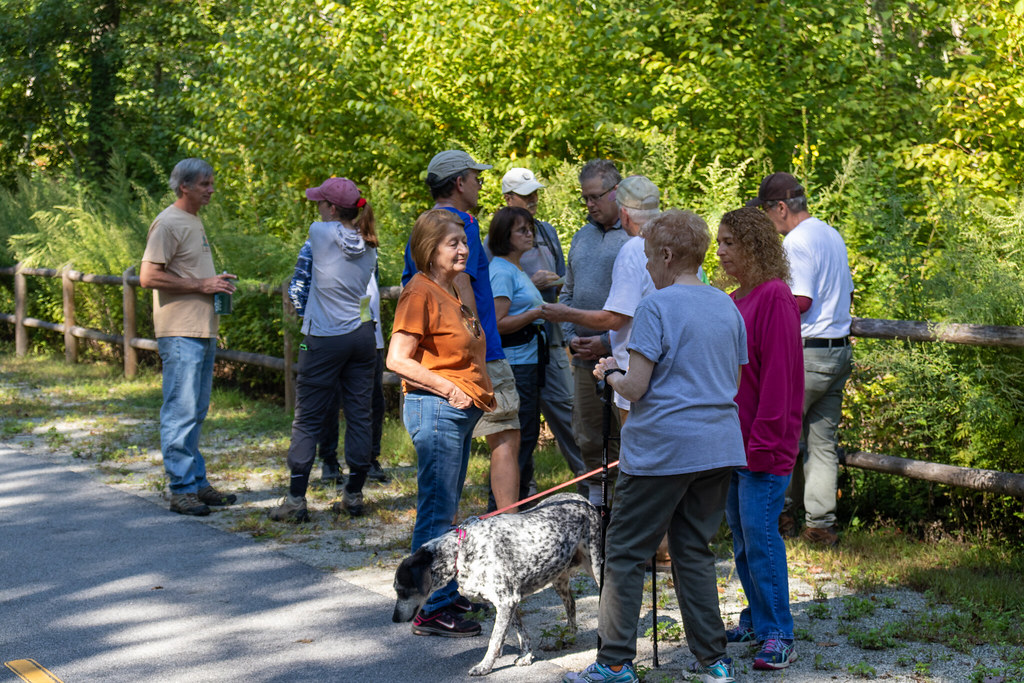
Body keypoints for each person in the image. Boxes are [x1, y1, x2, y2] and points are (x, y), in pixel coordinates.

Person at [565, 210, 747, 683]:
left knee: (625, 551)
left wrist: (609, 372)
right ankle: (714, 661)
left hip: (664, 447)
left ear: (666, 255)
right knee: (693, 549)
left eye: (648, 257)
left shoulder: (656, 306)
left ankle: (615, 662)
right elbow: (732, 377)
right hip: (719, 444)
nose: (646, 267)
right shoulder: (726, 305)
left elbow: (636, 388)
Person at [388, 209, 495, 638]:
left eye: (465, 242)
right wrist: (449, 389)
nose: (464, 249)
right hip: (437, 409)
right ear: (430, 250)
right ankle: (428, 608)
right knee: (437, 511)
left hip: (459, 412)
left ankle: (444, 593)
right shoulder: (419, 292)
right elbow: (397, 359)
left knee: (447, 509)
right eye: (454, 243)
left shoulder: (448, 288)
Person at [402, 150, 521, 513]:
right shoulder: (458, 224)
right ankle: (509, 525)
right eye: (475, 177)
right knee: (505, 436)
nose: (480, 183)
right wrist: (478, 342)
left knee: (456, 448)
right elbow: (461, 284)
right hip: (471, 353)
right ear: (459, 183)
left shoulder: (424, 224)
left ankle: (444, 531)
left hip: (438, 355)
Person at [716, 207, 804, 670]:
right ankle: (756, 617)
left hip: (764, 445)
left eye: (730, 241)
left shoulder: (774, 296)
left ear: (754, 245)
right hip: (734, 441)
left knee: (761, 537)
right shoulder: (734, 298)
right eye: (719, 243)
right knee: (744, 538)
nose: (722, 251)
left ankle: (778, 634)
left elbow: (780, 378)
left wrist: (765, 443)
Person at [747, 172, 854, 547]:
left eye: (765, 210)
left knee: (780, 436)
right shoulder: (830, 234)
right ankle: (821, 524)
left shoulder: (796, 241)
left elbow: (801, 300)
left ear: (781, 207)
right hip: (838, 350)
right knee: (822, 443)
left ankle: (779, 515)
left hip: (807, 353)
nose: (765, 220)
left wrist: (759, 305)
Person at [270, 177, 378, 522]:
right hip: (362, 334)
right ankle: (354, 494)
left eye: (320, 202)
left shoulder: (319, 233)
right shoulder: (370, 244)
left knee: (308, 416)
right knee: (360, 412)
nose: (316, 207)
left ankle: (295, 500)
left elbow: (302, 277)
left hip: (324, 336)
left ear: (332, 208)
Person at [140, 158, 238, 517]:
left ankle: (196, 483)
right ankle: (181, 489)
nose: (211, 190)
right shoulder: (167, 223)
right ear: (184, 186)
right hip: (180, 330)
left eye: (211, 183)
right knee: (180, 410)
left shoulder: (193, 220)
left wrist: (215, 281)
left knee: (195, 410)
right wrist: (202, 284)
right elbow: (148, 276)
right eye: (205, 184)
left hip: (201, 328)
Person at [544, 174, 661, 423]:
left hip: (634, 370)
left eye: (595, 197)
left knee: (635, 450)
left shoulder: (633, 249)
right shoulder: (677, 243)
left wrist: (563, 314)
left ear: (625, 215)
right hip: (666, 370)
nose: (590, 204)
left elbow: (616, 318)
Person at [500, 168, 586, 496]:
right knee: (520, 424)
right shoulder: (495, 239)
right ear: (508, 198)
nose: (533, 199)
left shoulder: (547, 231)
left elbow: (566, 280)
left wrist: (566, 325)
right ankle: (520, 494)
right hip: (515, 347)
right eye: (526, 194)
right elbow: (496, 293)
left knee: (567, 413)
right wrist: (530, 286)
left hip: (551, 342)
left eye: (535, 192)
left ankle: (591, 484)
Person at [288, 239, 389, 486]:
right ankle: (330, 461)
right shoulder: (316, 245)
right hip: (336, 335)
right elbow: (298, 289)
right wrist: (315, 322)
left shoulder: (370, 246)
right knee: (330, 402)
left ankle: (367, 461)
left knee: (371, 402)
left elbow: (370, 287)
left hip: (366, 335)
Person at [559, 159, 629, 507]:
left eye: (595, 196)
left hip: (623, 357)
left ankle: (626, 509)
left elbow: (644, 303)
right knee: (587, 433)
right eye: (584, 197)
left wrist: (606, 340)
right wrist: (570, 336)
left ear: (616, 192)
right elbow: (567, 293)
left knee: (625, 433)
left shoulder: (635, 237)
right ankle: (596, 507)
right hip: (584, 359)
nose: (589, 204)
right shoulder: (581, 236)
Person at [487, 206, 549, 506]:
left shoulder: (516, 268)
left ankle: (517, 505)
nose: (530, 235)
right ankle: (503, 510)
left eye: (531, 229)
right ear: (504, 236)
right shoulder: (500, 271)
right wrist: (537, 313)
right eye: (522, 230)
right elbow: (497, 324)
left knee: (525, 436)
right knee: (516, 440)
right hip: (515, 364)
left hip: (529, 361)